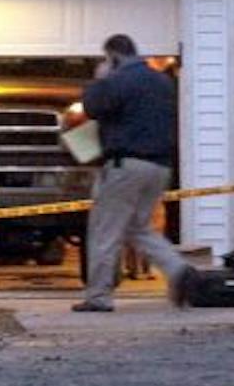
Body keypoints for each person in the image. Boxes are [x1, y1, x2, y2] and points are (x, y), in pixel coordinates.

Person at [72, 35, 190, 312]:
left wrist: (99, 79)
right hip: (159, 166)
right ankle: (178, 269)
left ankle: (98, 296)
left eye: (105, 59)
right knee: (138, 226)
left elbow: (92, 107)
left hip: (126, 165)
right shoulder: (161, 81)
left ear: (112, 56)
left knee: (105, 229)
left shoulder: (118, 80)